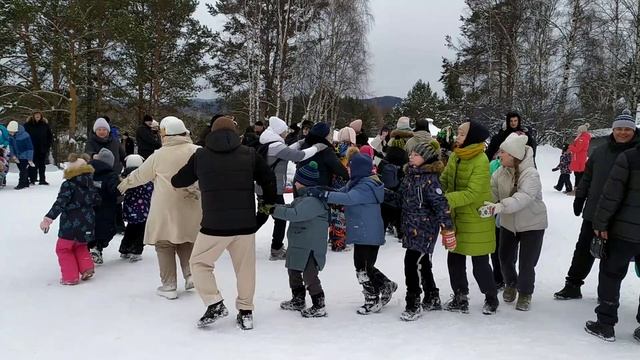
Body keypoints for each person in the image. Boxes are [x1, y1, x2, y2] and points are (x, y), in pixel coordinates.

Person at [171, 116, 277, 331]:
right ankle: (246, 312)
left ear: (211, 132)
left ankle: (214, 302)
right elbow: (269, 180)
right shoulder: (249, 154)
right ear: (235, 133)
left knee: (199, 264)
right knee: (245, 269)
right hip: (245, 224)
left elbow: (178, 181)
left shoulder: (201, 156)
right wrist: (264, 211)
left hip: (214, 225)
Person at [554, 112, 639, 300]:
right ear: (613, 129)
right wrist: (580, 196)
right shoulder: (601, 151)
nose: (623, 133)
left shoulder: (636, 154)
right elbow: (588, 176)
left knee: (611, 258)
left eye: (627, 129)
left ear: (633, 131)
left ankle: (606, 294)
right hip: (595, 211)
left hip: (623, 218)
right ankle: (573, 284)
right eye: (619, 128)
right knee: (583, 248)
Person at [118, 116, 201, 300]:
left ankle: (169, 285)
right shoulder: (198, 151)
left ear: (165, 133)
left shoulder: (158, 155)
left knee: (164, 244)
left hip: (165, 208)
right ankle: (191, 276)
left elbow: (139, 175)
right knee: (187, 240)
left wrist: (122, 186)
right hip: (193, 204)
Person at [307, 154, 397, 315]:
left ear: (359, 169)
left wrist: (324, 195)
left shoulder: (366, 186)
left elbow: (348, 198)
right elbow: (341, 192)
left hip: (368, 234)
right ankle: (385, 285)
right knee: (366, 265)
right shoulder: (356, 182)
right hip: (364, 231)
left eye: (350, 166)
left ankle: (372, 299)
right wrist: (324, 190)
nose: (347, 168)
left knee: (361, 267)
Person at [480, 133, 547, 311]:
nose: (498, 155)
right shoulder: (500, 172)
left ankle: (525, 293)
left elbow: (523, 197)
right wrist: (487, 205)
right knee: (505, 257)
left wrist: (500, 207)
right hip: (509, 224)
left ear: (513, 155)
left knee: (527, 262)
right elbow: (492, 193)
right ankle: (511, 283)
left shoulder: (531, 174)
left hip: (532, 224)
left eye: (503, 152)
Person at [440, 121, 499, 315]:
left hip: (475, 218)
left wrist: (445, 200)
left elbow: (473, 192)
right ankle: (460, 296)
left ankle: (491, 297)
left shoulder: (481, 159)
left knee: (479, 263)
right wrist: (436, 190)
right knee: (454, 259)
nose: (457, 136)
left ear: (472, 137)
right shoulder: (456, 156)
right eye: (457, 132)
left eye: (462, 133)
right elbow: (445, 180)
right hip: (456, 216)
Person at [585, 142, 640, 342]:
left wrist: (600, 223)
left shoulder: (629, 157)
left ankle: (605, 324)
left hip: (624, 232)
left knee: (611, 274)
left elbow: (611, 194)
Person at [255, 116, 325, 259]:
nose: (286, 134)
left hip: (264, 188)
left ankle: (238, 237)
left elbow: (286, 150)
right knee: (280, 218)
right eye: (284, 131)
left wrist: (301, 142)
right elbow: (299, 156)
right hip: (273, 190)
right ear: (279, 132)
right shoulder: (276, 146)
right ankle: (276, 250)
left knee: (261, 216)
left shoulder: (269, 144)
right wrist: (316, 148)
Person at [399, 141, 454, 321]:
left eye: (415, 154)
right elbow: (402, 199)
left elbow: (441, 205)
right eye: (410, 154)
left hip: (425, 229)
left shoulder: (431, 179)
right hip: (410, 226)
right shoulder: (409, 176)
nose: (410, 157)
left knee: (411, 263)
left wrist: (447, 228)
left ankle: (413, 302)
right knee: (423, 264)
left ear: (426, 158)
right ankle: (432, 295)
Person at [273, 161, 330, 318]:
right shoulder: (303, 198)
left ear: (302, 183)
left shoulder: (313, 201)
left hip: (310, 246)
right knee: (293, 270)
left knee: (309, 274)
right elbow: (290, 208)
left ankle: (319, 303)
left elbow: (295, 214)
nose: (294, 183)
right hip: (299, 243)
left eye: (296, 180)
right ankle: (298, 299)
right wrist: (275, 207)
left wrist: (274, 210)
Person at [39, 153, 100, 285]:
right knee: (81, 245)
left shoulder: (69, 184)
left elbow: (60, 202)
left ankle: (70, 276)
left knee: (63, 249)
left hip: (70, 224)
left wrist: (49, 218)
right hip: (87, 221)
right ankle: (87, 268)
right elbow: (97, 200)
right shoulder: (91, 183)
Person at [88, 148, 120, 264]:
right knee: (107, 230)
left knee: (91, 229)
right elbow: (114, 190)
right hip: (106, 208)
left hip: (89, 208)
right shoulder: (111, 175)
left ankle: (89, 248)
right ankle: (98, 247)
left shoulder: (88, 172)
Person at [119, 155, 153, 262]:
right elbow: (150, 190)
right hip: (142, 210)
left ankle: (125, 249)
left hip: (129, 209)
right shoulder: (143, 177)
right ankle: (136, 251)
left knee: (130, 228)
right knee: (141, 231)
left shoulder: (125, 178)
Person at [296, 122, 349, 187]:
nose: (330, 135)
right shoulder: (325, 149)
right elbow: (338, 168)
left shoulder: (305, 143)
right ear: (324, 135)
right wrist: (349, 176)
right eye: (329, 134)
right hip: (316, 187)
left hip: (299, 182)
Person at [24, 111, 53, 185]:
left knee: (42, 164)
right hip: (31, 148)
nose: (37, 116)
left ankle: (42, 180)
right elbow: (24, 136)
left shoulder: (45, 125)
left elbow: (50, 136)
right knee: (32, 163)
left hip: (42, 148)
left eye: (39, 115)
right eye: (36, 115)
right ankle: (32, 179)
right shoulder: (27, 125)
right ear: (33, 116)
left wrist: (48, 145)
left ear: (41, 116)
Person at [7, 121, 34, 190]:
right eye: (9, 132)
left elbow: (30, 148)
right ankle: (26, 182)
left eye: (12, 132)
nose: (10, 133)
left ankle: (21, 184)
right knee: (22, 169)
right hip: (17, 156)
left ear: (16, 130)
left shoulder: (25, 135)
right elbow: (11, 146)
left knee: (23, 170)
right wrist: (13, 156)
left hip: (25, 156)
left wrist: (30, 158)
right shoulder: (10, 136)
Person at [568, 122, 591, 193]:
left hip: (579, 158)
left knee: (578, 175)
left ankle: (577, 190)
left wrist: (570, 147)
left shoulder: (582, 139)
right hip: (579, 158)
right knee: (579, 174)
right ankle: (579, 189)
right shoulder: (584, 138)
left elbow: (577, 149)